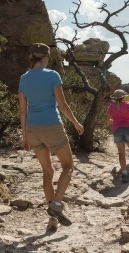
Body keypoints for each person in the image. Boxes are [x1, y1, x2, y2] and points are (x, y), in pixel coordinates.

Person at [18, 43, 84, 227]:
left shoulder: (23, 78)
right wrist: (76, 123)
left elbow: (23, 111)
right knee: (68, 166)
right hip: (51, 126)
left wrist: (25, 136)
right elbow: (62, 105)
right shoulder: (52, 75)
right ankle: (56, 204)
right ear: (45, 57)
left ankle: (52, 219)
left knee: (47, 172)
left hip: (32, 129)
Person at [106, 89, 129, 183]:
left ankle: (124, 174)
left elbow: (107, 119)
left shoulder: (111, 106)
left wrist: (113, 122)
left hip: (117, 130)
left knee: (121, 153)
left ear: (114, 98)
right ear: (123, 97)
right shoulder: (127, 104)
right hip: (127, 128)